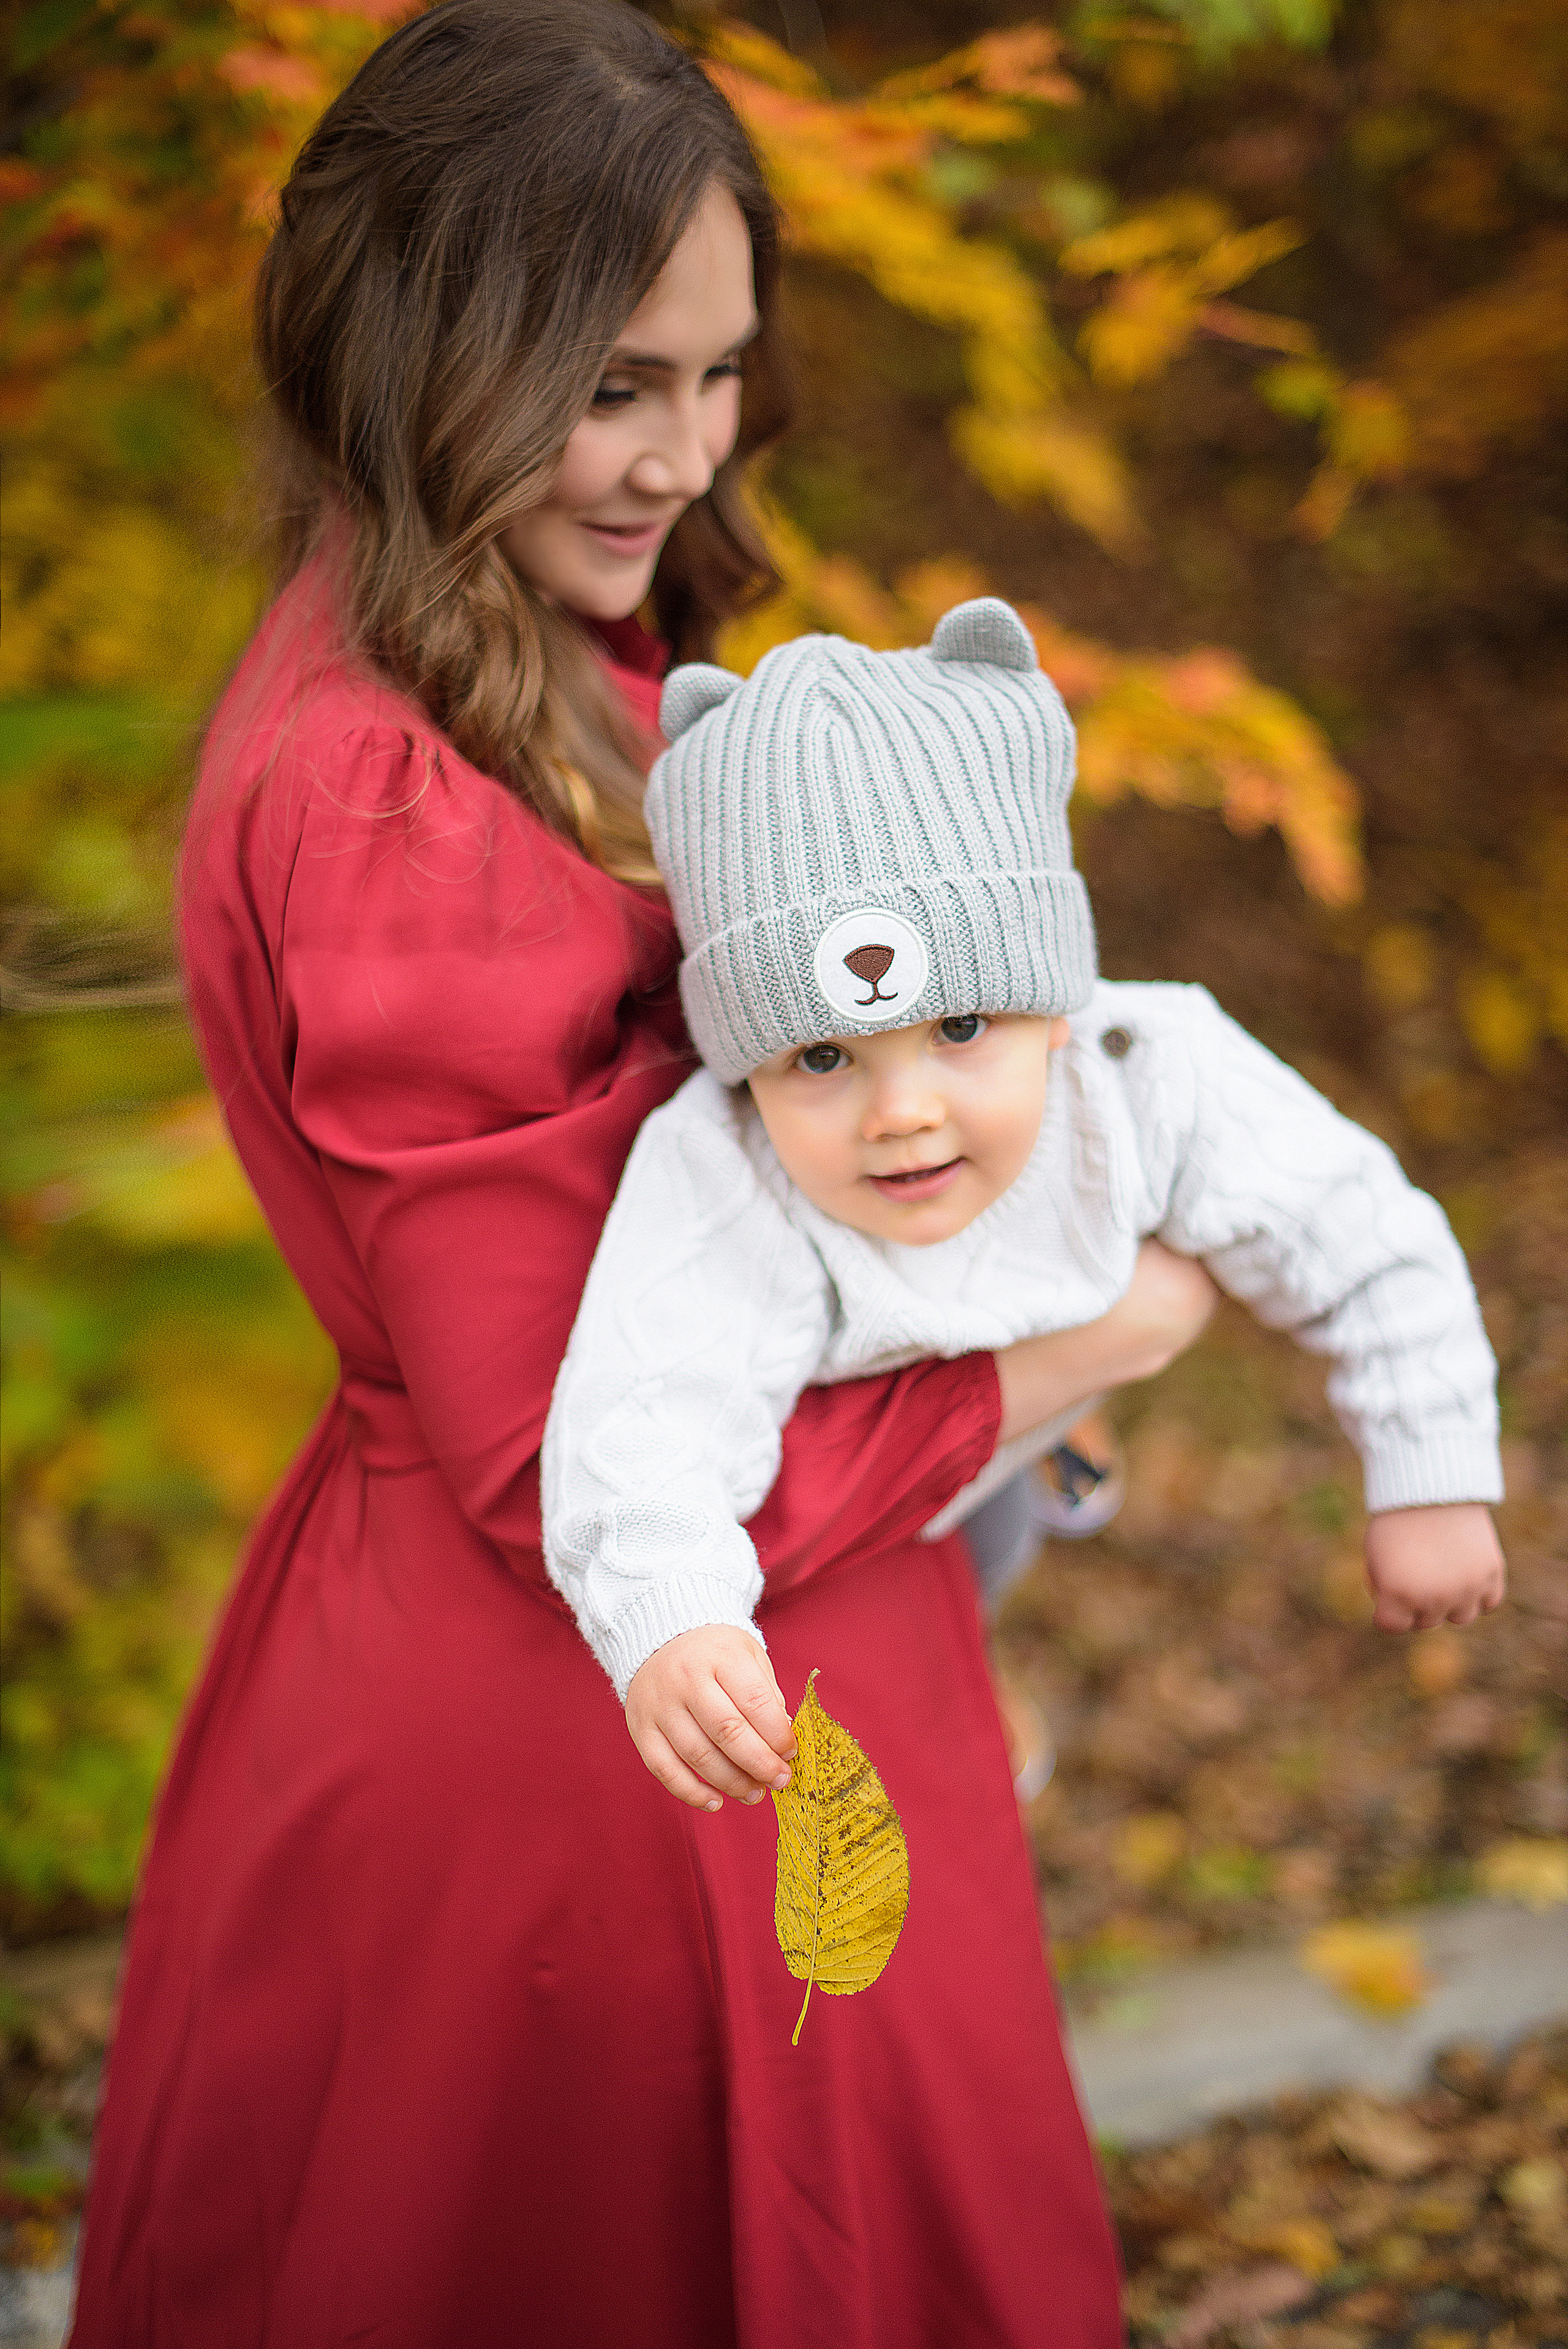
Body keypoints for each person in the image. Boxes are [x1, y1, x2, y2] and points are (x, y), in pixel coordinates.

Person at [69, 5, 1218, 2342]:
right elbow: (537, 1460)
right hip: (599, 1743)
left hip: (741, 1677)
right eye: (610, 385)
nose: (683, 457)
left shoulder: (555, 666)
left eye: (711, 377)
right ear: (420, 354)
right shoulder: (385, 793)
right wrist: (1093, 1335)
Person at [543, 600, 1507, 1817]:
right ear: (747, 1067)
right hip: (872, 1457)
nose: (900, 1112)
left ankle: (1036, 1510)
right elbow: (639, 1410)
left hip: (1019, 1402)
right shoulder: (719, 1169)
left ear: (1055, 1002)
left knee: (998, 1532)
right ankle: (975, 1635)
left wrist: (1427, 1474)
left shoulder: (1144, 1070)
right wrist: (671, 1618)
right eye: (822, 1059)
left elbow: (1358, 1236)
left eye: (957, 1029)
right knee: (896, 1599)